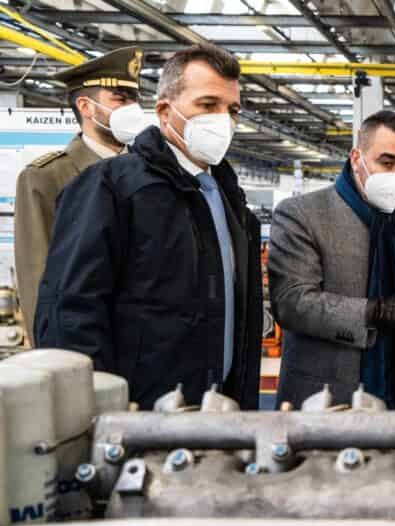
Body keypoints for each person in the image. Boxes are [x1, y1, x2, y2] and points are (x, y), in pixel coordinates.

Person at [34, 45, 262, 409]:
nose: (224, 120)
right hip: (141, 416)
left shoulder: (228, 200)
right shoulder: (111, 188)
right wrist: (96, 410)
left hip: (219, 412)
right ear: (164, 111)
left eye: (232, 109)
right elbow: (70, 312)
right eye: (207, 105)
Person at [269, 110, 395, 409]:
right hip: (325, 400)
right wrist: (375, 312)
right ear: (356, 158)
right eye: (387, 162)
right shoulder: (302, 214)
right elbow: (292, 303)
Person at [14, 47, 146, 345]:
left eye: (136, 100)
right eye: (121, 100)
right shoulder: (46, 178)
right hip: (86, 344)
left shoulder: (148, 174)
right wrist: (51, 360)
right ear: (86, 107)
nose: (133, 109)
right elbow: (37, 276)